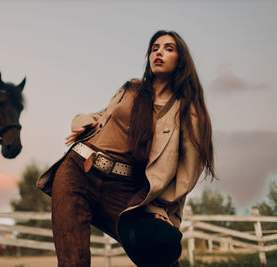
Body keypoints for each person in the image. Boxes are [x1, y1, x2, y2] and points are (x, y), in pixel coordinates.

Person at [37, 30, 216, 267]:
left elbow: (186, 173)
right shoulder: (132, 88)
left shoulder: (187, 112)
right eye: (155, 48)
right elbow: (104, 115)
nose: (159, 52)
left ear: (181, 60)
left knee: (158, 249)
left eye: (168, 48)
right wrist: (82, 120)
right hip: (77, 171)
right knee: (73, 262)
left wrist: (161, 207)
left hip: (121, 187)